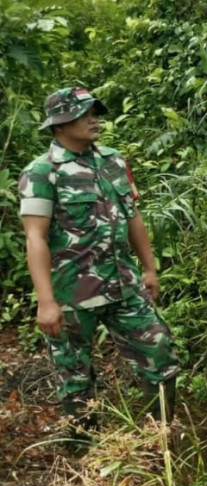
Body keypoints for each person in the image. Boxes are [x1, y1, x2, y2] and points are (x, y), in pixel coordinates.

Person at [19, 87, 180, 442]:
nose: (94, 119)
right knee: (75, 377)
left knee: (160, 353)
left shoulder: (113, 161)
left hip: (124, 285)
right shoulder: (42, 172)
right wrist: (46, 301)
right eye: (83, 113)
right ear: (59, 124)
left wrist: (149, 268)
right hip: (72, 295)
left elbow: (133, 216)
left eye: (95, 111)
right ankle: (82, 454)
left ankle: (162, 442)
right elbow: (36, 238)